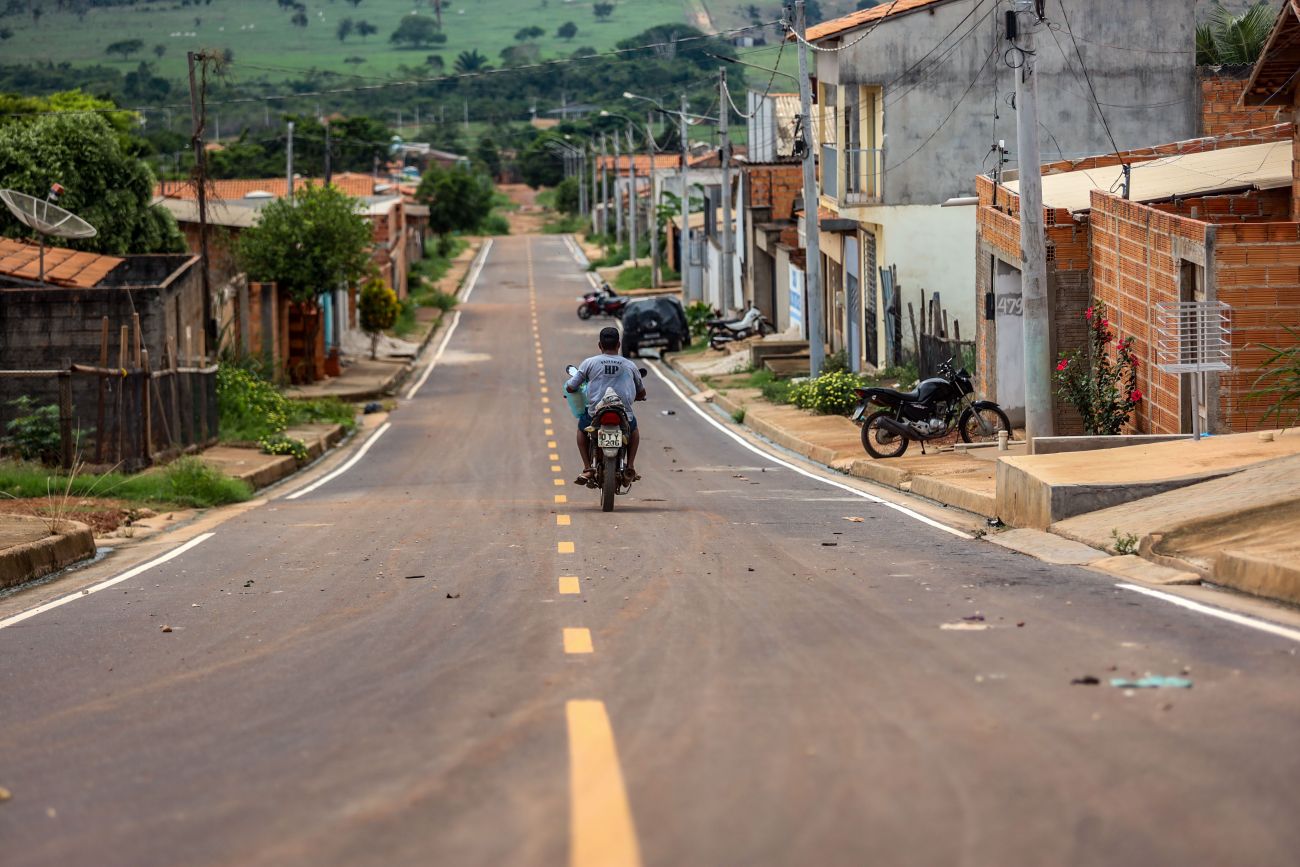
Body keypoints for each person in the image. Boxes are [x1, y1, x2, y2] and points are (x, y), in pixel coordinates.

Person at [565, 326, 646, 485]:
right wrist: (637, 397)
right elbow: (641, 392)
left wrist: (571, 389)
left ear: (600, 345)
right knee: (634, 431)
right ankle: (630, 466)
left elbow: (571, 386)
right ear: (619, 345)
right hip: (622, 413)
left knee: (582, 430)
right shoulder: (629, 365)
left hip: (596, 413)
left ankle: (588, 468)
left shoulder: (589, 363)